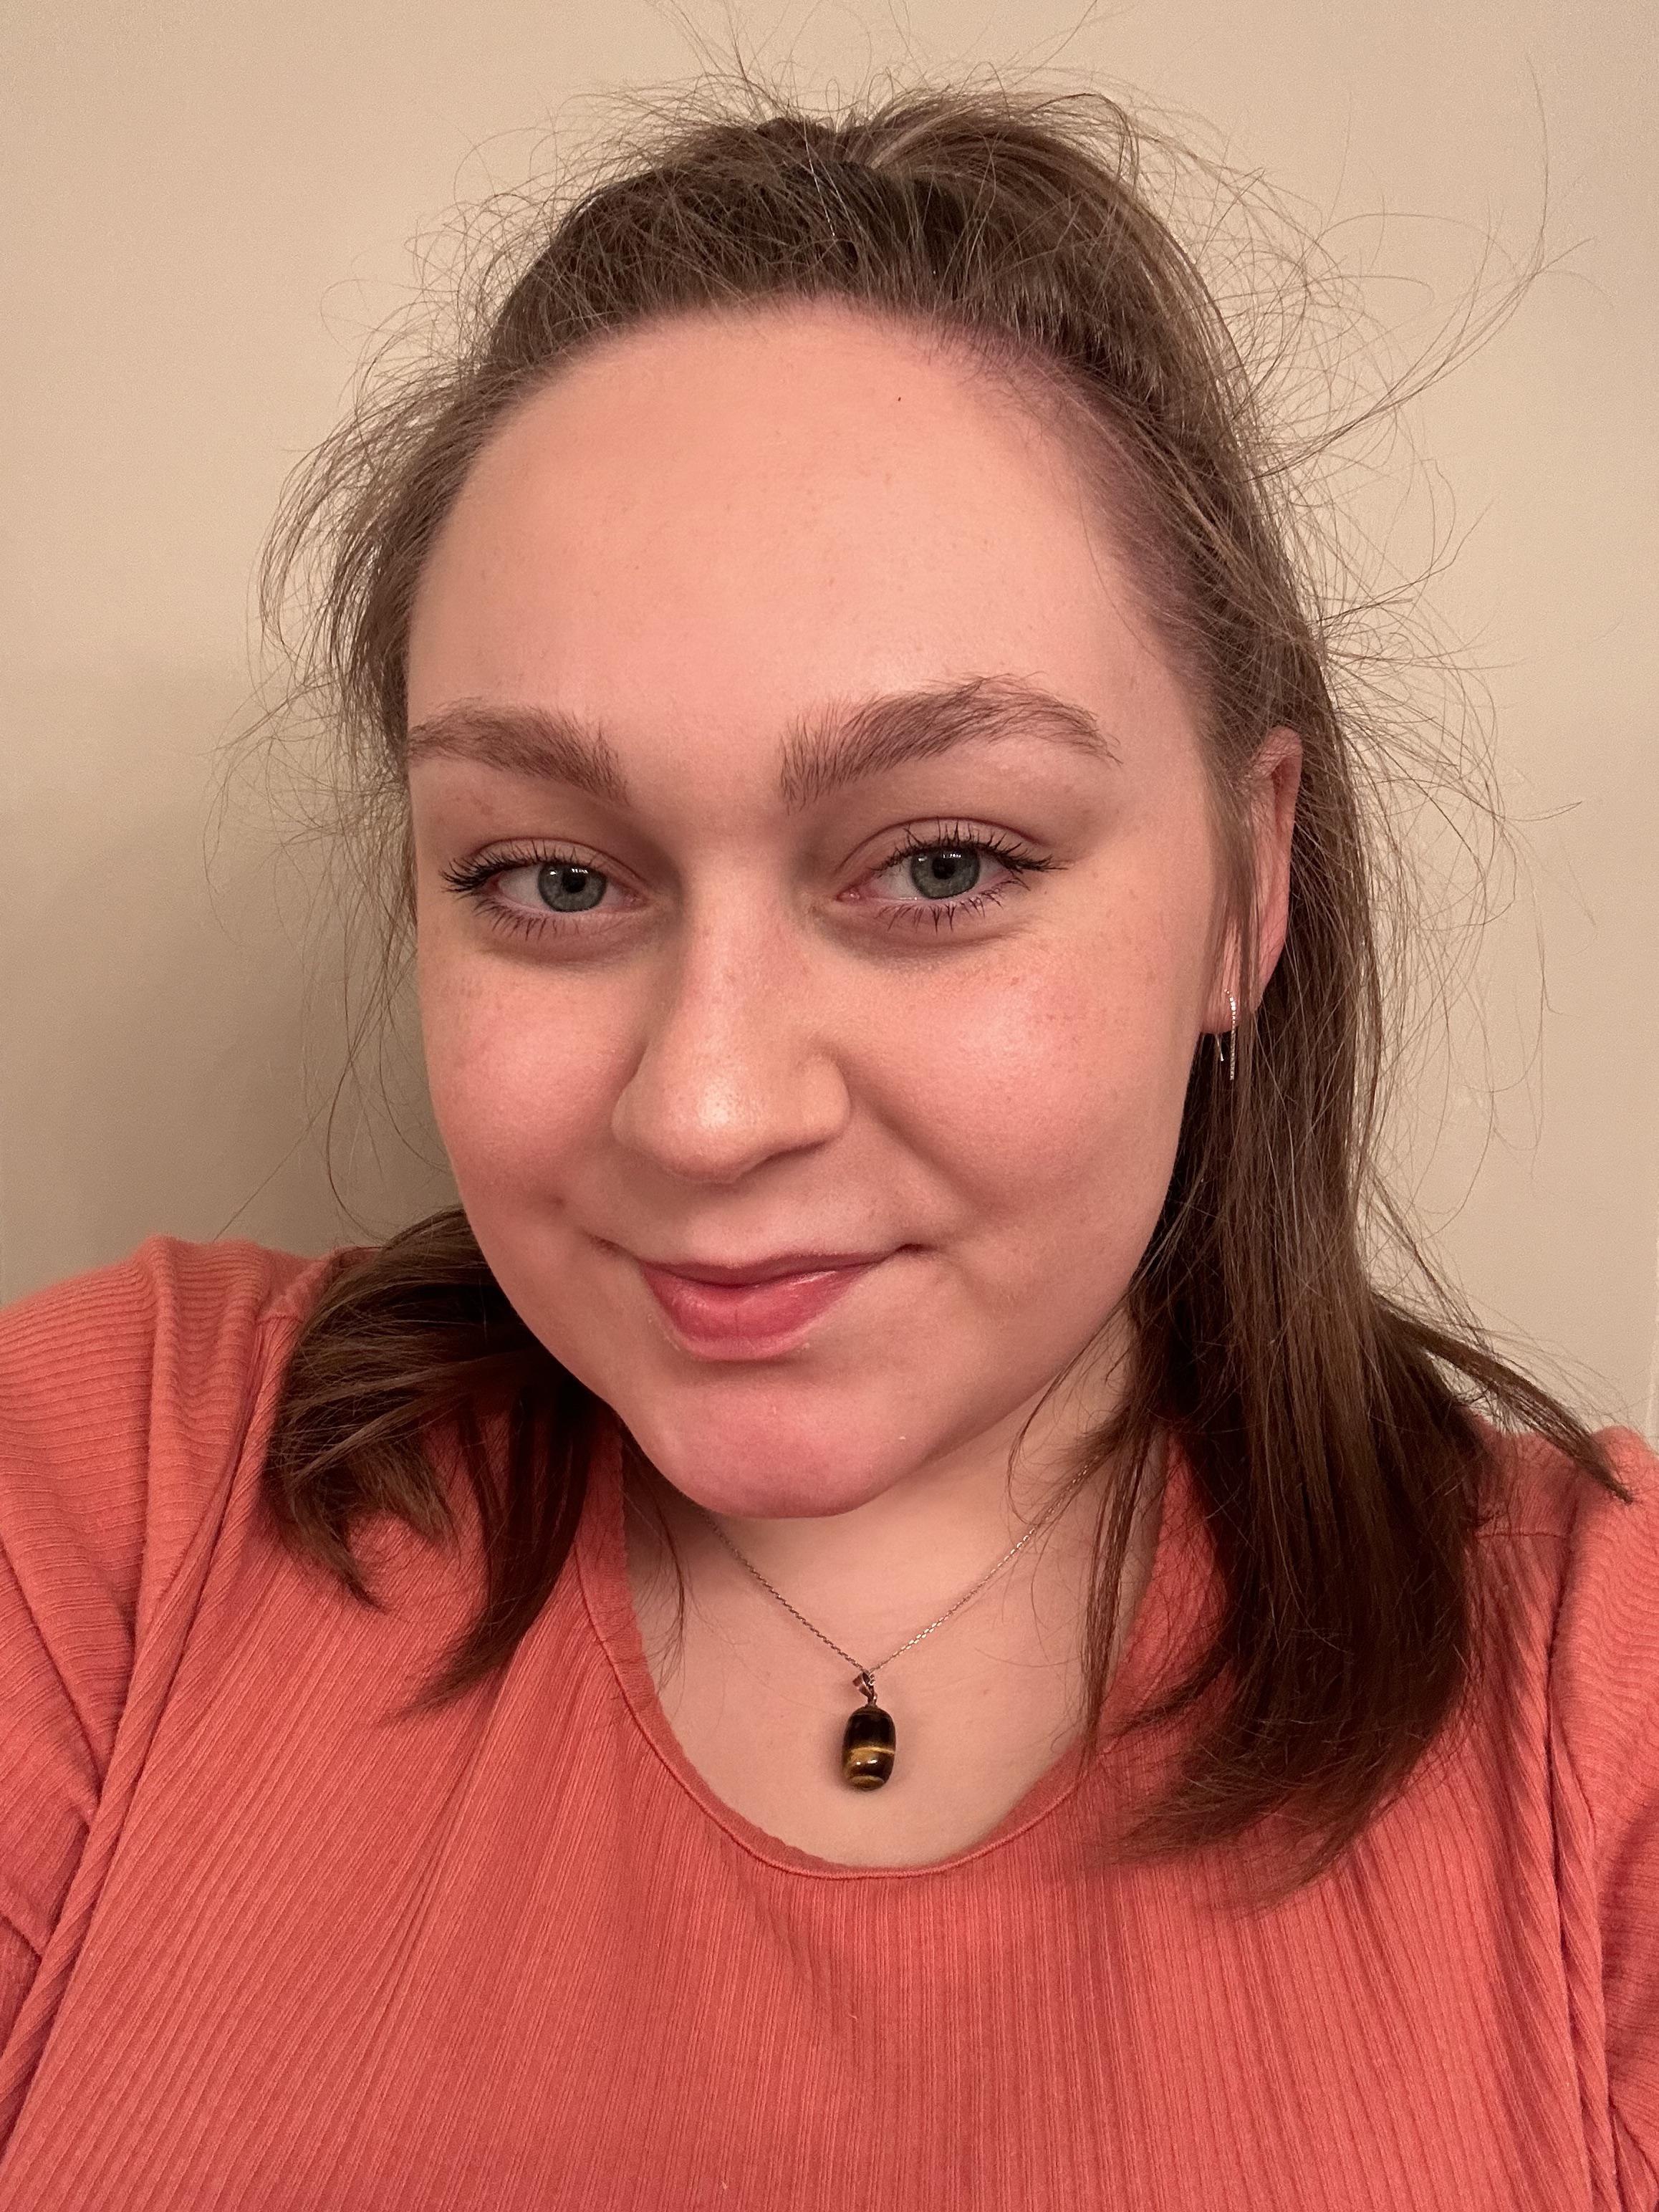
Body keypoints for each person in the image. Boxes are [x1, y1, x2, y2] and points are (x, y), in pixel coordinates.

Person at [0, 75, 1653, 2212]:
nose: (705, 1110)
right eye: (550, 879)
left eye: (943, 862)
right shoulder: (116, 1502)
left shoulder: (1598, 1706)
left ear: (1249, 886)